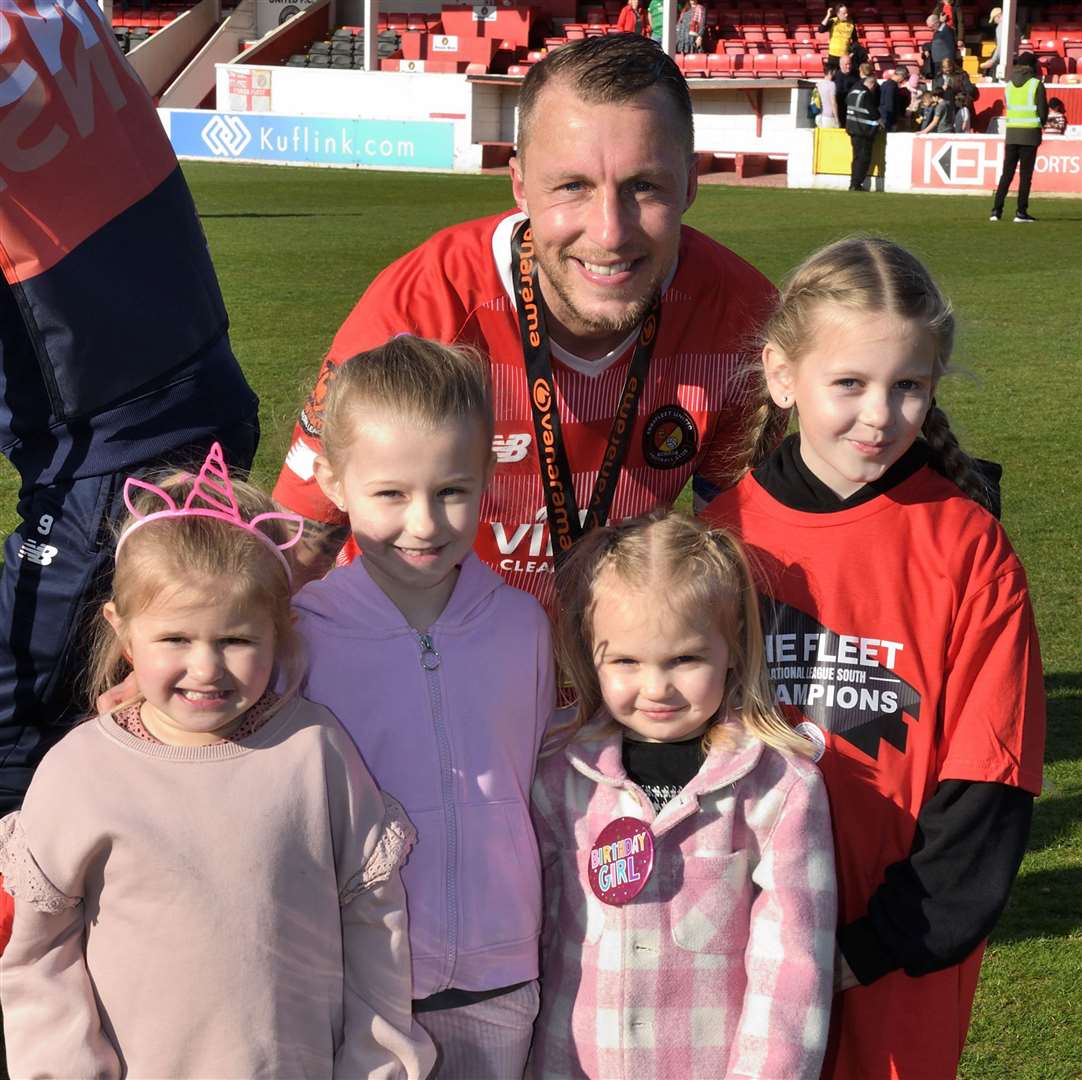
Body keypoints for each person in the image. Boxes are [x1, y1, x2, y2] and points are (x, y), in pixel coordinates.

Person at [272, 35, 777, 618]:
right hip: (412, 651)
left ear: (689, 184)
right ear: (519, 186)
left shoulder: (743, 319)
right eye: (572, 187)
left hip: (615, 673)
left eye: (644, 186)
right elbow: (302, 534)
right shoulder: (419, 309)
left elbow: (743, 550)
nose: (609, 232)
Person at [705, 237, 1045, 1080]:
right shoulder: (721, 540)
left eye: (908, 387)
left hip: (890, 959)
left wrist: (861, 949)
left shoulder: (967, 548)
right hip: (735, 946)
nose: (879, 415)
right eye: (848, 383)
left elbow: (989, 788)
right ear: (783, 375)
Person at [0, 445, 435, 1078]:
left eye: (236, 639)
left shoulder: (316, 753)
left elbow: (375, 925)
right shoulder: (79, 773)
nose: (206, 668)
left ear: (280, 632)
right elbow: (41, 955)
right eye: (175, 638)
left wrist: (377, 1062)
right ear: (122, 632)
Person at [0, 0, 258, 815]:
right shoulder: (54, 10)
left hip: (116, 444)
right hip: (183, 401)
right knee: (133, 716)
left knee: (21, 730)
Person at [299, 337, 556, 1077]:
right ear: (334, 482)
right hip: (360, 981)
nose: (424, 523)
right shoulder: (301, 638)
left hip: (504, 975)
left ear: (488, 479)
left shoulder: (521, 626)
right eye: (390, 494)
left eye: (451, 491)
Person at [530, 510, 836, 1078]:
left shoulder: (778, 787)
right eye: (625, 661)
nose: (656, 687)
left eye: (684, 659)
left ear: (733, 646)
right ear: (588, 649)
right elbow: (533, 938)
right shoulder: (555, 774)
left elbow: (794, 967)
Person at [990, 52, 1048, 222]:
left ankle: (996, 211)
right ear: (1032, 66)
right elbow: (1042, 110)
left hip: (1012, 133)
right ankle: (1021, 212)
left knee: (1006, 174)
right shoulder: (1036, 84)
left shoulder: (1008, 85)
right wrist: (1041, 124)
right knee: (1025, 176)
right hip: (1030, 134)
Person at [846, 75, 882, 190]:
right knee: (863, 159)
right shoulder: (866, 95)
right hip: (863, 131)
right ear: (872, 84)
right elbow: (873, 113)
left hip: (852, 129)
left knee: (856, 158)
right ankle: (856, 184)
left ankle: (854, 183)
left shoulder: (853, 92)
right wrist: (880, 121)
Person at [832, 52, 862, 126]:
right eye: (846, 64)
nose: (848, 66)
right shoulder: (835, 77)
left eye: (850, 64)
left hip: (853, 110)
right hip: (840, 109)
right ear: (840, 65)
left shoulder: (857, 75)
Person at [879, 65, 912, 131]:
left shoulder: (885, 84)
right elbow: (889, 104)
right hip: (888, 119)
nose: (904, 80)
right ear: (901, 76)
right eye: (904, 78)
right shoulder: (892, 87)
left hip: (883, 116)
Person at [979, 7, 1009, 78]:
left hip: (1002, 58)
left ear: (998, 16)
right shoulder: (1015, 26)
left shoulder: (1000, 27)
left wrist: (993, 60)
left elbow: (1000, 46)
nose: (994, 22)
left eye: (994, 19)